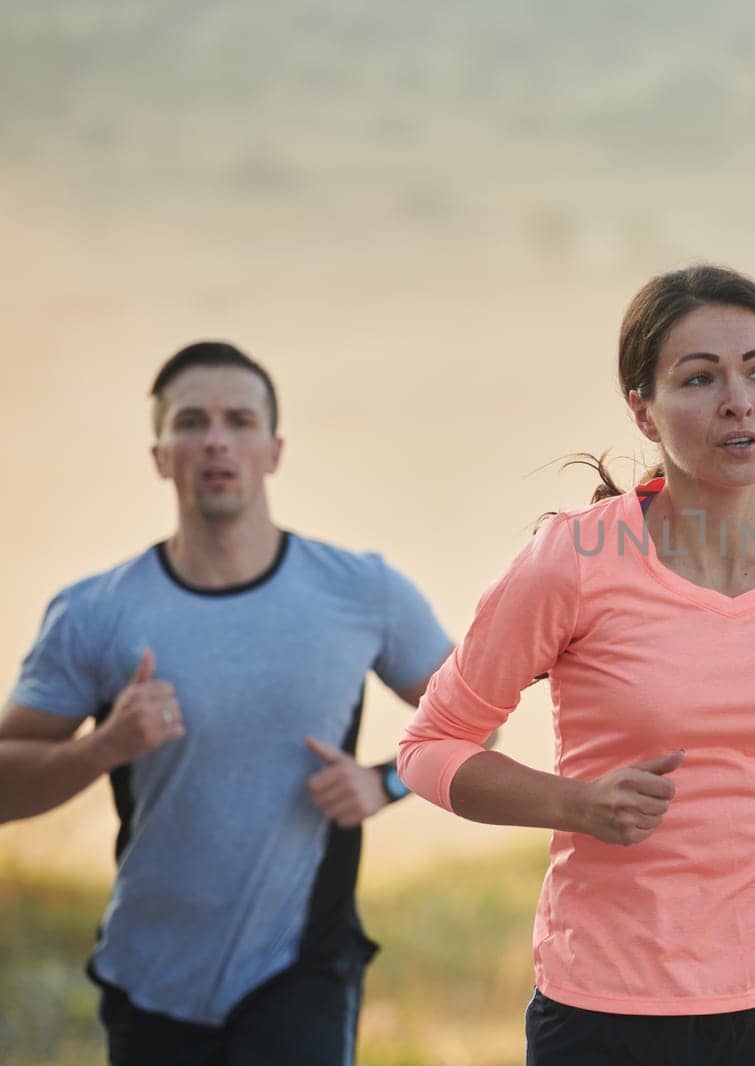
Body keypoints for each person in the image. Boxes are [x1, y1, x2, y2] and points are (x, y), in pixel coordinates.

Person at [397, 264, 755, 1066]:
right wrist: (578, 805)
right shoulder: (573, 560)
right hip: (612, 1006)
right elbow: (431, 747)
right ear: (644, 410)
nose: (738, 401)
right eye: (699, 379)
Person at [0, 342, 456, 1066]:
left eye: (240, 420)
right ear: (159, 454)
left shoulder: (361, 593)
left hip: (300, 968)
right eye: (191, 422)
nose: (216, 439)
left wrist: (385, 782)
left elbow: (478, 725)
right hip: (149, 976)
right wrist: (101, 747)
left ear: (273, 451)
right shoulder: (94, 613)